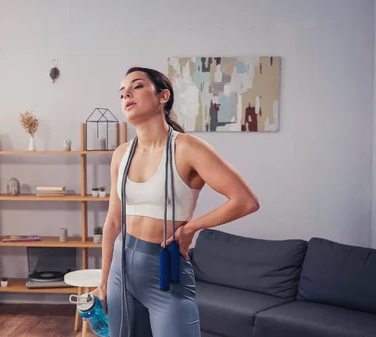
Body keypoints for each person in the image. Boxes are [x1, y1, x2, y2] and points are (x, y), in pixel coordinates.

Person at [90, 67, 260, 337]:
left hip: (166, 274)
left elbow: (245, 201)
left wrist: (190, 228)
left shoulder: (188, 148)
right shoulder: (121, 153)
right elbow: (112, 221)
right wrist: (103, 282)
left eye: (137, 86)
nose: (126, 95)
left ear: (163, 96)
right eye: (122, 92)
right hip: (120, 274)